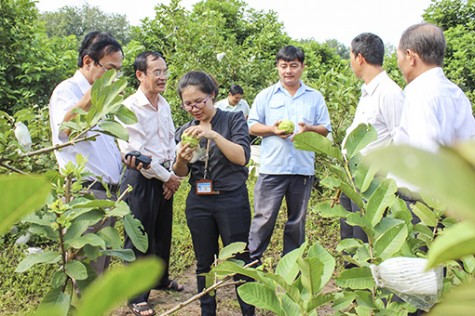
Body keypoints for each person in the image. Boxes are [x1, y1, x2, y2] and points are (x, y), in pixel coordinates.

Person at [173, 71, 255, 316]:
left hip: (231, 199)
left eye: (199, 101)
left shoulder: (233, 120)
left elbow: (241, 157)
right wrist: (180, 157)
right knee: (204, 262)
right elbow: (181, 172)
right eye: (188, 104)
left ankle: (248, 311)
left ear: (212, 95)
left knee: (240, 260)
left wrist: (214, 136)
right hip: (199, 202)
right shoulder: (185, 130)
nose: (194, 108)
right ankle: (208, 312)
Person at [49, 31, 130, 276]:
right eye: (110, 69)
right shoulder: (68, 90)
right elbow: (65, 130)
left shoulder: (102, 98)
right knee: (85, 272)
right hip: (84, 194)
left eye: (119, 70)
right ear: (88, 62)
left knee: (99, 269)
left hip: (107, 194)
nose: (115, 76)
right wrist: (95, 96)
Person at [247, 45, 332, 263]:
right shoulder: (266, 96)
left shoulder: (314, 97)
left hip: (302, 169)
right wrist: (272, 130)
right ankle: (253, 263)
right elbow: (251, 126)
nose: (288, 71)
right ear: (277, 67)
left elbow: (325, 128)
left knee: (297, 221)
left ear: (302, 67)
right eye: (284, 66)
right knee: (264, 218)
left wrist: (309, 130)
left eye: (293, 66)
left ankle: (291, 265)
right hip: (272, 169)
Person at [118, 51, 183, 316]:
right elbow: (136, 153)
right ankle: (136, 296)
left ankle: (159, 278)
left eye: (165, 71)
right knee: (139, 237)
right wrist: (167, 177)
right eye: (157, 72)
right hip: (140, 181)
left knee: (161, 232)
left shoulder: (164, 103)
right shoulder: (130, 108)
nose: (163, 77)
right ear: (140, 75)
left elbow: (168, 142)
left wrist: (169, 174)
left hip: (164, 178)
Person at [395, 23, 475, 197]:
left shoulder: (419, 94)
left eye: (398, 56)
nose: (398, 63)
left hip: (422, 203)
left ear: (410, 56)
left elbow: (425, 155)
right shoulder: (457, 93)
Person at [340, 33, 404, 244]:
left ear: (359, 58)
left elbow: (400, 139)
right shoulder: (368, 92)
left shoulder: (389, 93)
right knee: (351, 240)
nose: (351, 62)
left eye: (350, 56)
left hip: (371, 181)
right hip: (354, 179)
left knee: (367, 243)